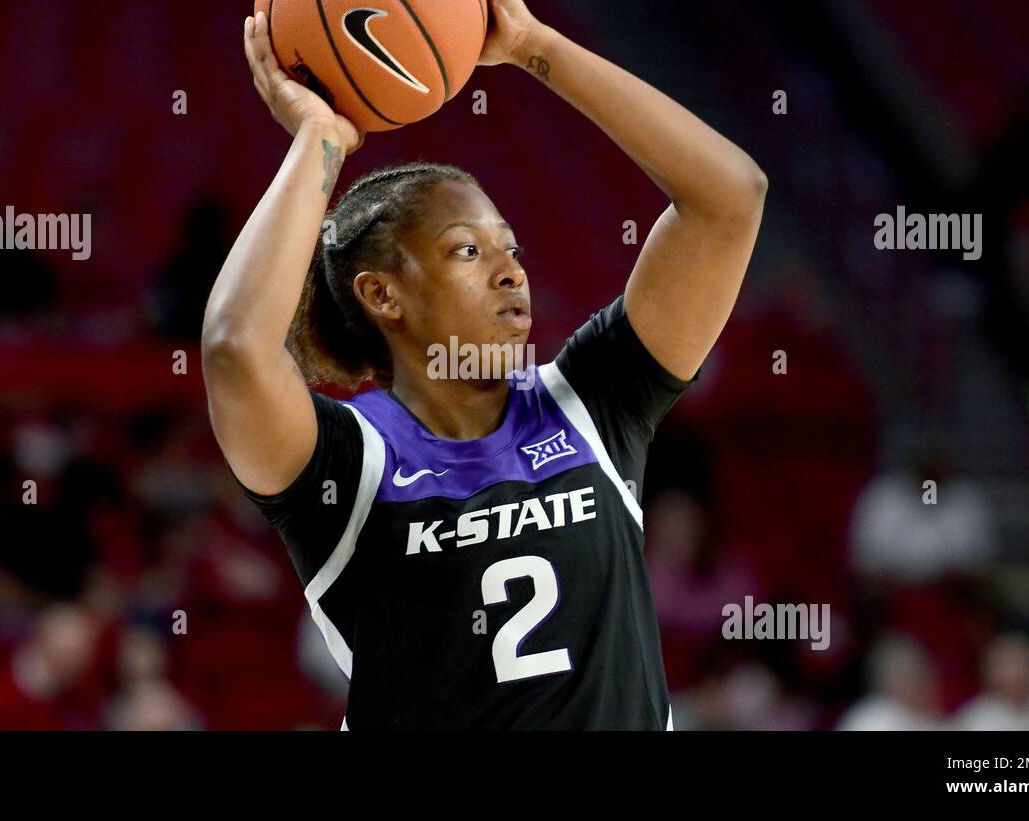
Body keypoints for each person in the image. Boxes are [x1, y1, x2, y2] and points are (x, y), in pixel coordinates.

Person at [201, 1, 767, 729]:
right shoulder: (348, 463)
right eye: (470, 250)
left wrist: (536, 46)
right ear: (383, 294)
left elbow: (730, 200)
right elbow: (234, 348)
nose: (511, 272)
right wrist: (320, 140)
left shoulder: (591, 401)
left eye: (512, 248)